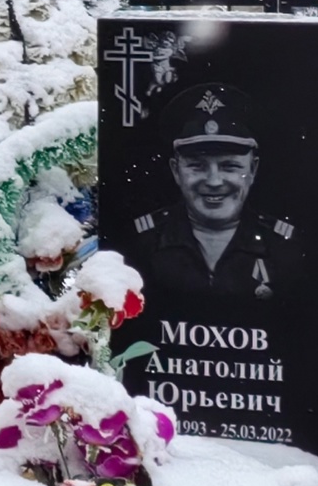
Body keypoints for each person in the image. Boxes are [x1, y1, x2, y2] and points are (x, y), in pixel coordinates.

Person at [122, 84, 307, 318]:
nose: (214, 181)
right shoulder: (143, 243)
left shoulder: (284, 247)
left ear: (253, 170)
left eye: (229, 166)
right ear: (176, 171)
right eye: (196, 166)